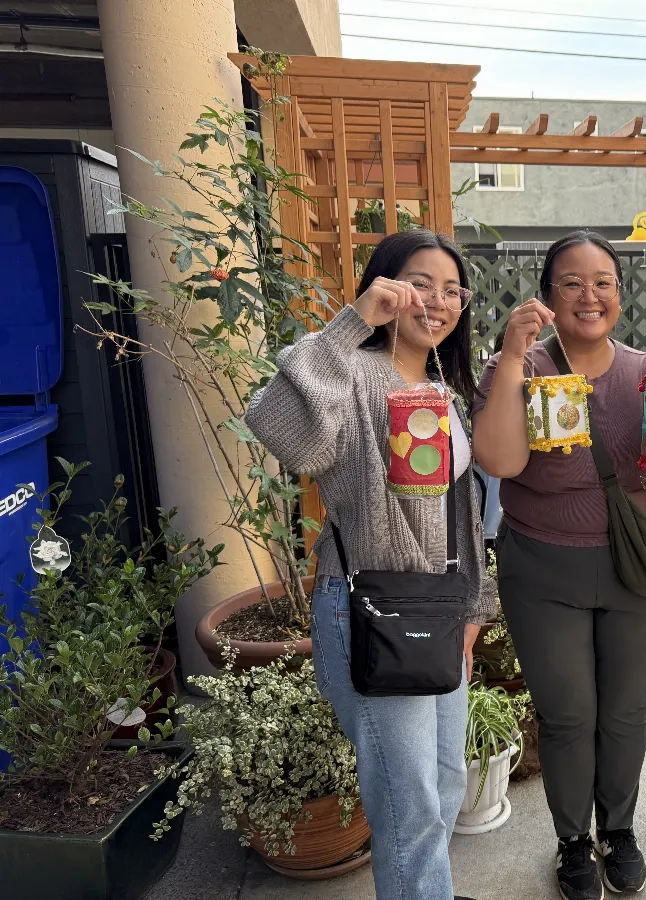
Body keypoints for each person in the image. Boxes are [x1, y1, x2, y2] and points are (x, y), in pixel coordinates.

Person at [245, 229, 491, 900]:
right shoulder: (353, 374)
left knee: (443, 782)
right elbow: (276, 424)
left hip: (437, 611)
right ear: (386, 285)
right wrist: (351, 323)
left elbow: (462, 514)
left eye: (452, 290)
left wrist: (472, 610)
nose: (437, 300)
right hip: (372, 609)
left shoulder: (443, 389)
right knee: (409, 805)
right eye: (420, 283)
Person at [472, 231, 646, 900]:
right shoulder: (520, 368)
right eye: (572, 283)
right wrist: (511, 355)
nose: (589, 295)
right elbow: (500, 460)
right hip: (542, 570)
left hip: (634, 567)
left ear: (619, 294)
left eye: (603, 282)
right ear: (548, 295)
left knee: (625, 712)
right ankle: (573, 840)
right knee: (568, 715)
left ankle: (620, 830)